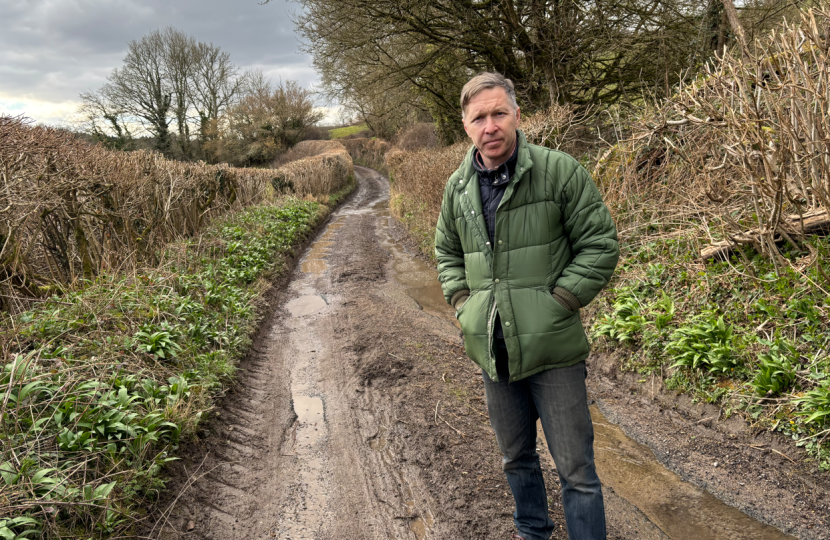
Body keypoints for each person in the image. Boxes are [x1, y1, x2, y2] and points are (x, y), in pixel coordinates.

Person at [434, 72, 619, 540]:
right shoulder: (457, 188)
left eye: (499, 113)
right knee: (515, 458)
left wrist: (559, 302)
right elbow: (447, 253)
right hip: (494, 352)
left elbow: (599, 244)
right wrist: (464, 304)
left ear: (517, 115)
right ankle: (532, 532)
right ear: (465, 125)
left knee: (576, 471)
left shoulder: (560, 171)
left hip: (554, 351)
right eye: (479, 117)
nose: (490, 125)